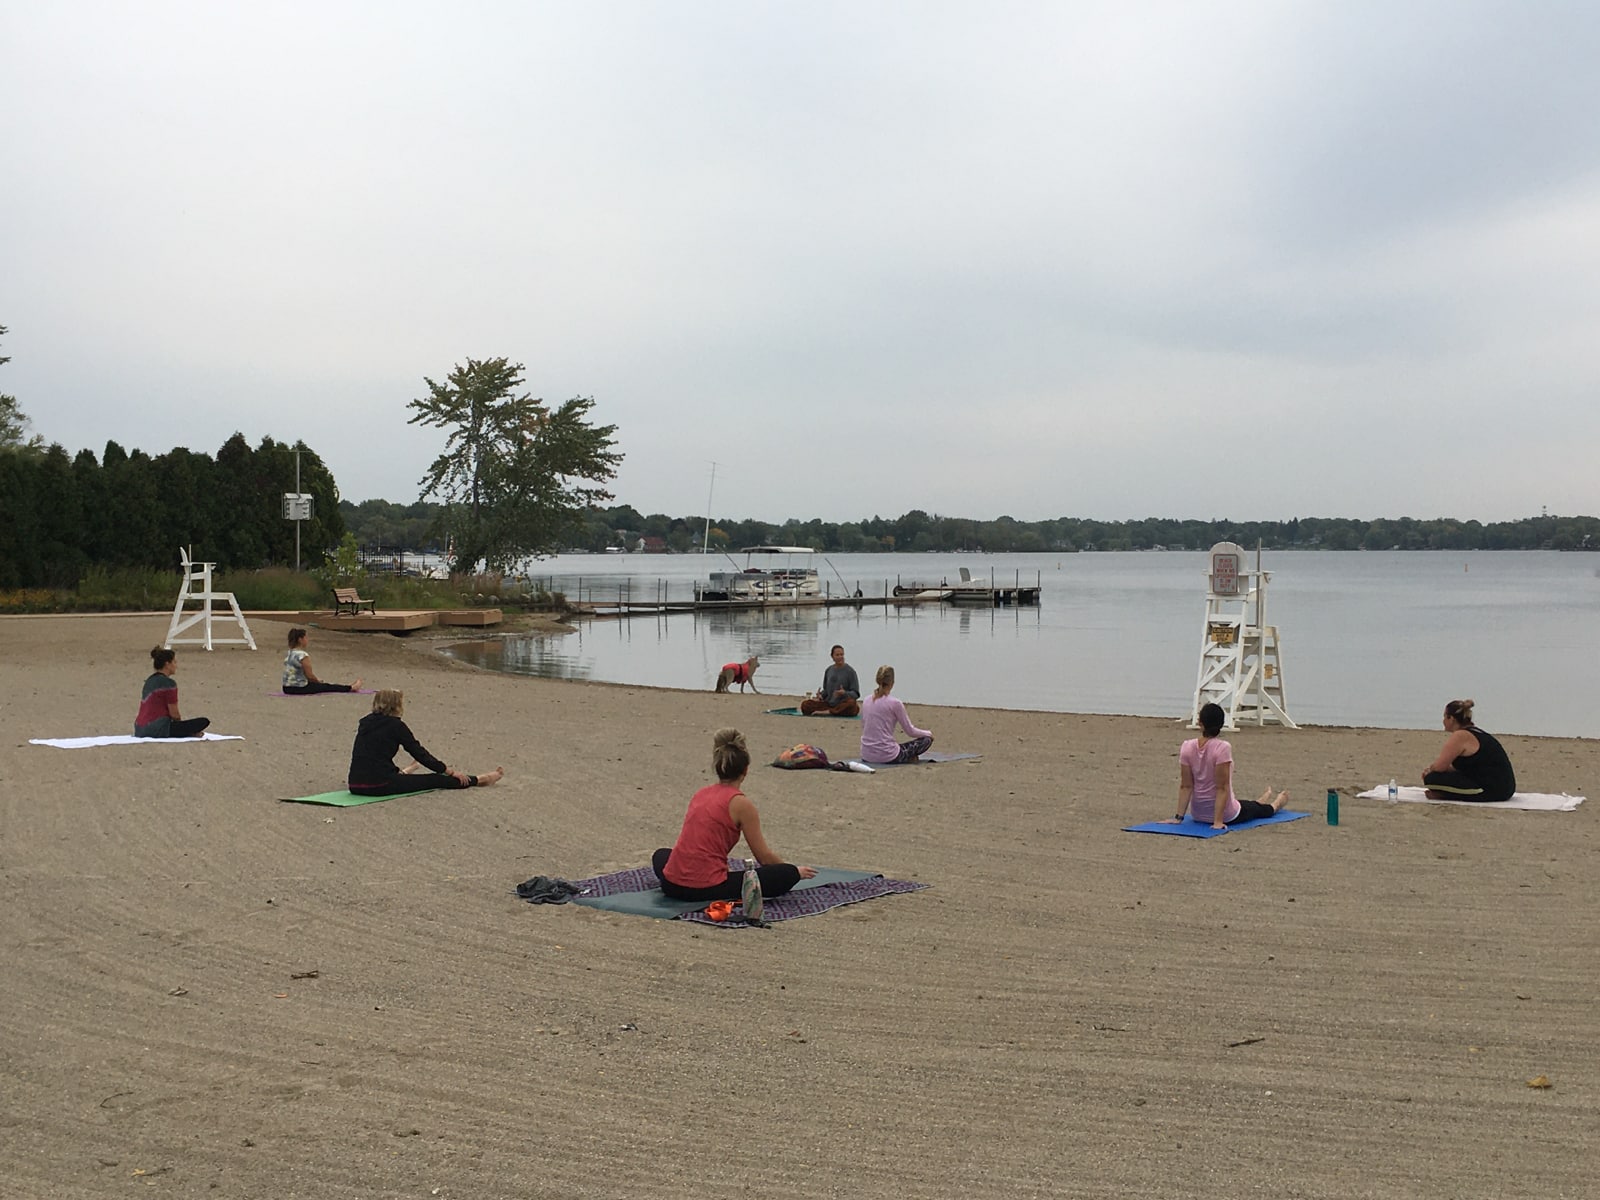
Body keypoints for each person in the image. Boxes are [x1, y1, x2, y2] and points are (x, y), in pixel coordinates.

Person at [652, 728, 816, 901]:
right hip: (705, 889)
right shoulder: (741, 804)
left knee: (661, 855)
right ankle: (791, 872)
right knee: (786, 873)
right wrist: (792, 871)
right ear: (745, 770)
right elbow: (764, 857)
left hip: (670, 885)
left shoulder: (701, 793)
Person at [347, 689, 504, 796]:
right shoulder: (396, 725)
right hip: (379, 785)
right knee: (434, 779)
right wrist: (449, 772)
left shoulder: (365, 722)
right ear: (396, 706)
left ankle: (408, 770)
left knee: (382, 767)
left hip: (355, 784)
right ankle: (480, 779)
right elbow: (420, 753)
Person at [1165, 702, 1288, 828]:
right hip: (1227, 815)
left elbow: (1186, 786)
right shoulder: (1222, 748)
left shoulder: (1187, 747)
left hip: (1198, 814)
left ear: (1199, 722)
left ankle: (1260, 801)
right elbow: (1222, 788)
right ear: (1221, 724)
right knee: (1257, 810)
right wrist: (1218, 821)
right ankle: (1277, 803)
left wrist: (1178, 817)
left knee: (1247, 805)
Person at [1422, 698, 1516, 803]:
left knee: (1431, 779)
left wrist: (1430, 770)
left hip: (1492, 789)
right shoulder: (1476, 732)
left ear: (1451, 719)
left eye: (1445, 717)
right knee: (1440, 777)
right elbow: (1468, 767)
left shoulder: (1460, 736)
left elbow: (1439, 767)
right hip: (1505, 788)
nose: (1443, 721)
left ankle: (1445, 795)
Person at [859, 665, 934, 764]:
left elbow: (865, 726)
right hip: (887, 756)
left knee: (895, 745)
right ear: (892, 683)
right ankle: (908, 758)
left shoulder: (866, 700)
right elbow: (910, 731)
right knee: (926, 740)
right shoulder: (895, 703)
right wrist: (928, 733)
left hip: (866, 754)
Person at [134, 647, 210, 738]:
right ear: (167, 664)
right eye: (174, 662)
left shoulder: (149, 681)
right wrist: (181, 728)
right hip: (157, 728)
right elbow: (174, 714)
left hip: (139, 728)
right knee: (203, 721)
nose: (176, 665)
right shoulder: (169, 684)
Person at [282, 627, 363, 696]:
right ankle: (351, 688)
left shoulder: (290, 653)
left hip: (286, 688)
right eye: (306, 638)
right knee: (328, 687)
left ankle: (350, 687)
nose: (307, 640)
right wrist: (318, 682)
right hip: (299, 687)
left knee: (322, 685)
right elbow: (309, 676)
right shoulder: (302, 655)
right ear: (300, 639)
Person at [800, 644, 861, 716]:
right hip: (829, 704)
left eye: (841, 655)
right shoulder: (829, 670)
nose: (840, 657)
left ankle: (829, 712)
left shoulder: (850, 672)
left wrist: (844, 693)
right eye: (837, 655)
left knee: (851, 705)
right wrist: (821, 696)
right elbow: (826, 691)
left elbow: (856, 694)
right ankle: (830, 711)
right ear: (832, 656)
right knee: (805, 705)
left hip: (842, 704)